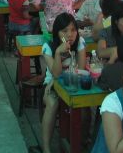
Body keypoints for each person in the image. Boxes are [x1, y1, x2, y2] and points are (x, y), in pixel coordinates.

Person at [41, 13, 86, 153]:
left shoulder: (80, 43)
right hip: (52, 83)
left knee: (84, 106)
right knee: (52, 104)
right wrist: (58, 54)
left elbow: (82, 69)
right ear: (57, 32)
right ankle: (46, 148)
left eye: (73, 30)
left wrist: (58, 79)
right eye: (65, 31)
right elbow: (56, 74)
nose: (70, 34)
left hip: (73, 82)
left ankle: (80, 141)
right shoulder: (48, 47)